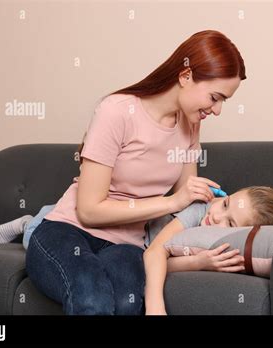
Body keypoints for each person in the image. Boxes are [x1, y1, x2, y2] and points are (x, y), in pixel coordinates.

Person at [23, 29, 247, 315]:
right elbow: (89, 210)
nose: (217, 110)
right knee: (91, 297)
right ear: (186, 76)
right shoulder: (116, 111)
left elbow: (189, 204)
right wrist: (171, 202)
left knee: (126, 305)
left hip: (127, 244)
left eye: (223, 102)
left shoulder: (190, 125)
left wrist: (232, 215)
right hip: (69, 230)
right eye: (215, 98)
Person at [143, 186, 273, 315]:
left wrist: (200, 263)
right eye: (225, 204)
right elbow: (154, 255)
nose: (216, 216)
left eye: (229, 223)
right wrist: (155, 307)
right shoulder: (199, 208)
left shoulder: (228, 246)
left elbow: (164, 266)